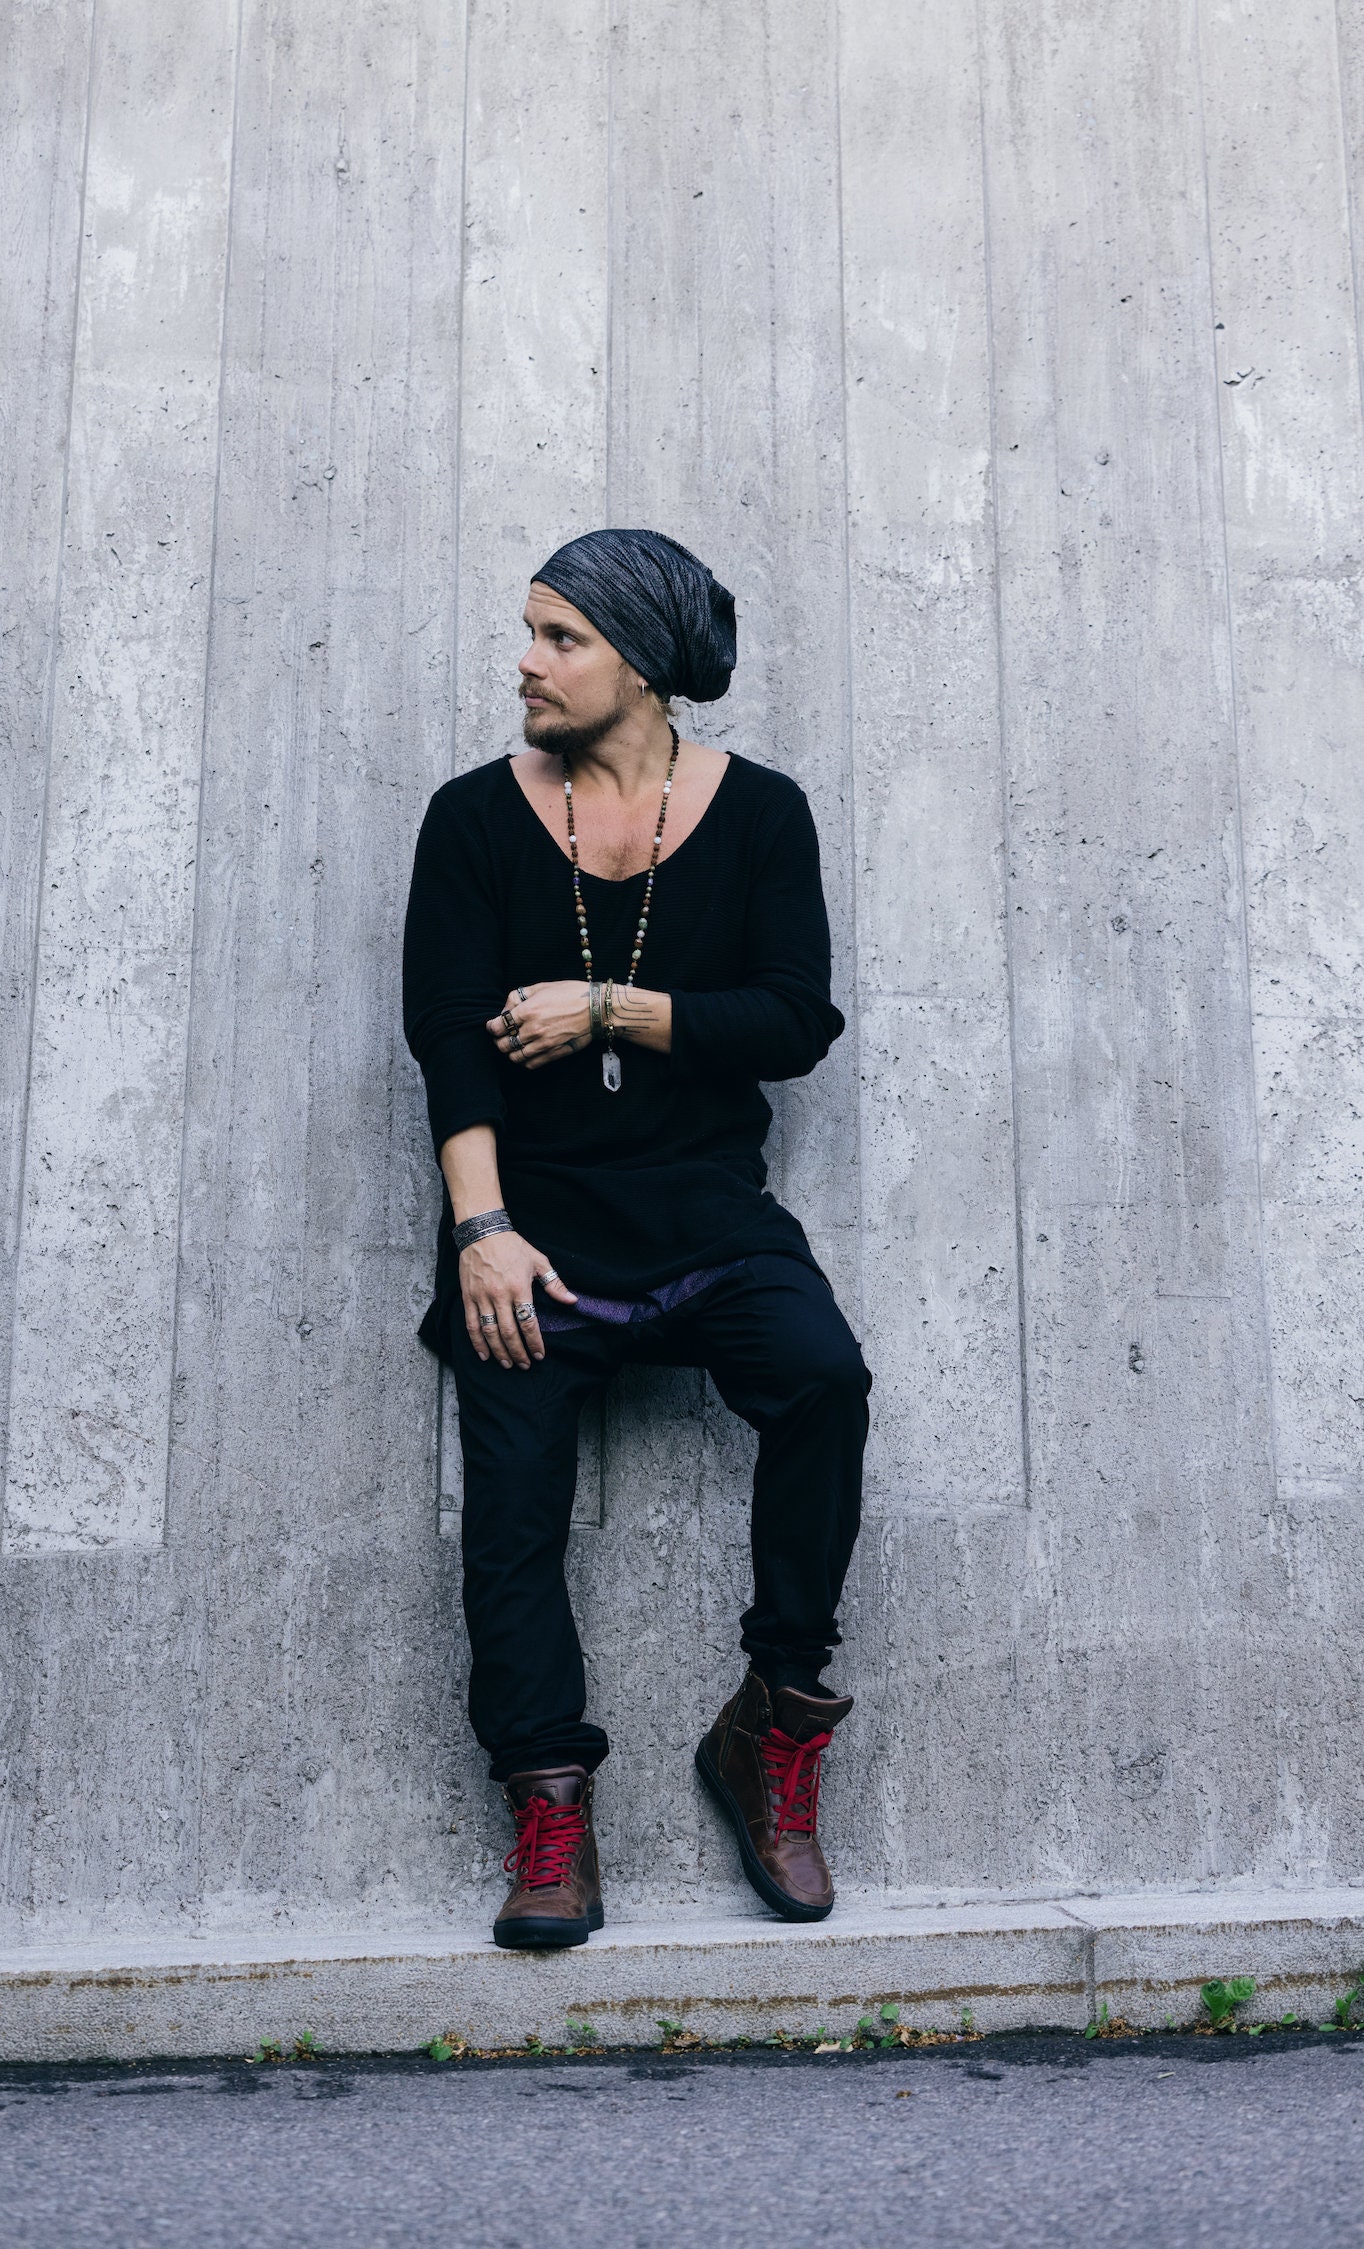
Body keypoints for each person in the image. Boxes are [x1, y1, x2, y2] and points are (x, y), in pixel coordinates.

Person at [402, 528, 870, 1949]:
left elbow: (794, 1019)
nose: (527, 664)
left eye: (562, 639)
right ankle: (549, 1804)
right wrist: (482, 1229)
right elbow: (448, 1041)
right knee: (513, 1504)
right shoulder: (473, 819)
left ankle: (772, 1725)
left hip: (708, 1213)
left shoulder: (762, 813)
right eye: (530, 633)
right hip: (533, 1228)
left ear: (645, 663)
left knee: (824, 1378)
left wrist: (611, 1009)